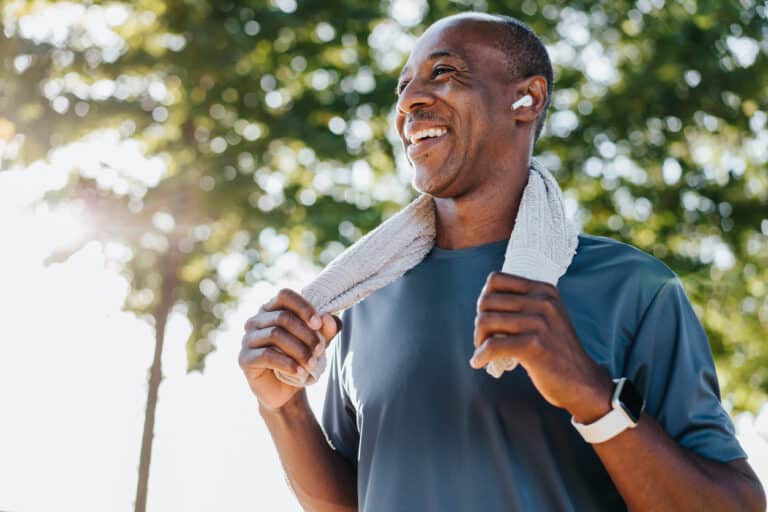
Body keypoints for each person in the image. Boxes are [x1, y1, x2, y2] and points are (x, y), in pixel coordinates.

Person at [238, 12, 765, 511]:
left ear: (527, 99)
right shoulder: (360, 299)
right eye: (403, 87)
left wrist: (592, 396)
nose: (410, 101)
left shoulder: (634, 289)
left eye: (443, 73)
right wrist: (282, 408)